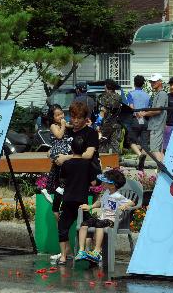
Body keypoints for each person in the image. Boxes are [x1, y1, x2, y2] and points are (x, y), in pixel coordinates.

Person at [50, 135, 94, 265]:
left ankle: (63, 256)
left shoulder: (66, 164)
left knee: (63, 228)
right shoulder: (88, 164)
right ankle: (87, 252)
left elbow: (62, 179)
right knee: (88, 226)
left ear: (71, 148)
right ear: (84, 149)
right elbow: (93, 182)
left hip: (68, 200)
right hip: (82, 202)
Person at [75, 169, 133, 264]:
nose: (102, 183)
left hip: (111, 220)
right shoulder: (106, 193)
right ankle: (81, 250)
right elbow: (99, 202)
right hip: (102, 219)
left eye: (104, 182)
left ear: (112, 185)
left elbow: (132, 202)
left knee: (99, 224)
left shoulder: (118, 196)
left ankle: (97, 251)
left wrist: (125, 205)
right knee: (84, 224)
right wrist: (90, 206)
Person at [40, 105, 70, 206]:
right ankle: (61, 187)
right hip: (59, 150)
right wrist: (63, 125)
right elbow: (59, 135)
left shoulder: (64, 123)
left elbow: (73, 127)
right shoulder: (53, 126)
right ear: (52, 117)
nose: (61, 116)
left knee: (54, 171)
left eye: (61, 113)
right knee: (65, 169)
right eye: (57, 115)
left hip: (65, 149)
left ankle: (48, 189)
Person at [137, 74, 168, 164]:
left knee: (154, 149)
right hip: (156, 125)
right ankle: (163, 170)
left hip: (157, 125)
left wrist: (144, 113)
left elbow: (158, 110)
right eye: (151, 81)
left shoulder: (162, 94)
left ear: (160, 82)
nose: (152, 83)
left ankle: (164, 170)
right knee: (158, 150)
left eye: (154, 81)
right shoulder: (158, 94)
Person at [125, 75, 151, 171]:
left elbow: (131, 107)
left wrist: (136, 113)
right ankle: (142, 165)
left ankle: (140, 155)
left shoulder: (131, 94)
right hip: (145, 120)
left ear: (134, 83)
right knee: (144, 142)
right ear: (143, 84)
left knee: (130, 140)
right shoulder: (148, 96)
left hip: (135, 119)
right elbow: (148, 108)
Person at [96, 79, 124, 154]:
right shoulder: (118, 97)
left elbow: (102, 111)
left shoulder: (103, 97)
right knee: (115, 145)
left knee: (102, 145)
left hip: (105, 126)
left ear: (106, 86)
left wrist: (98, 124)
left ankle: (103, 164)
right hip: (116, 125)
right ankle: (115, 163)